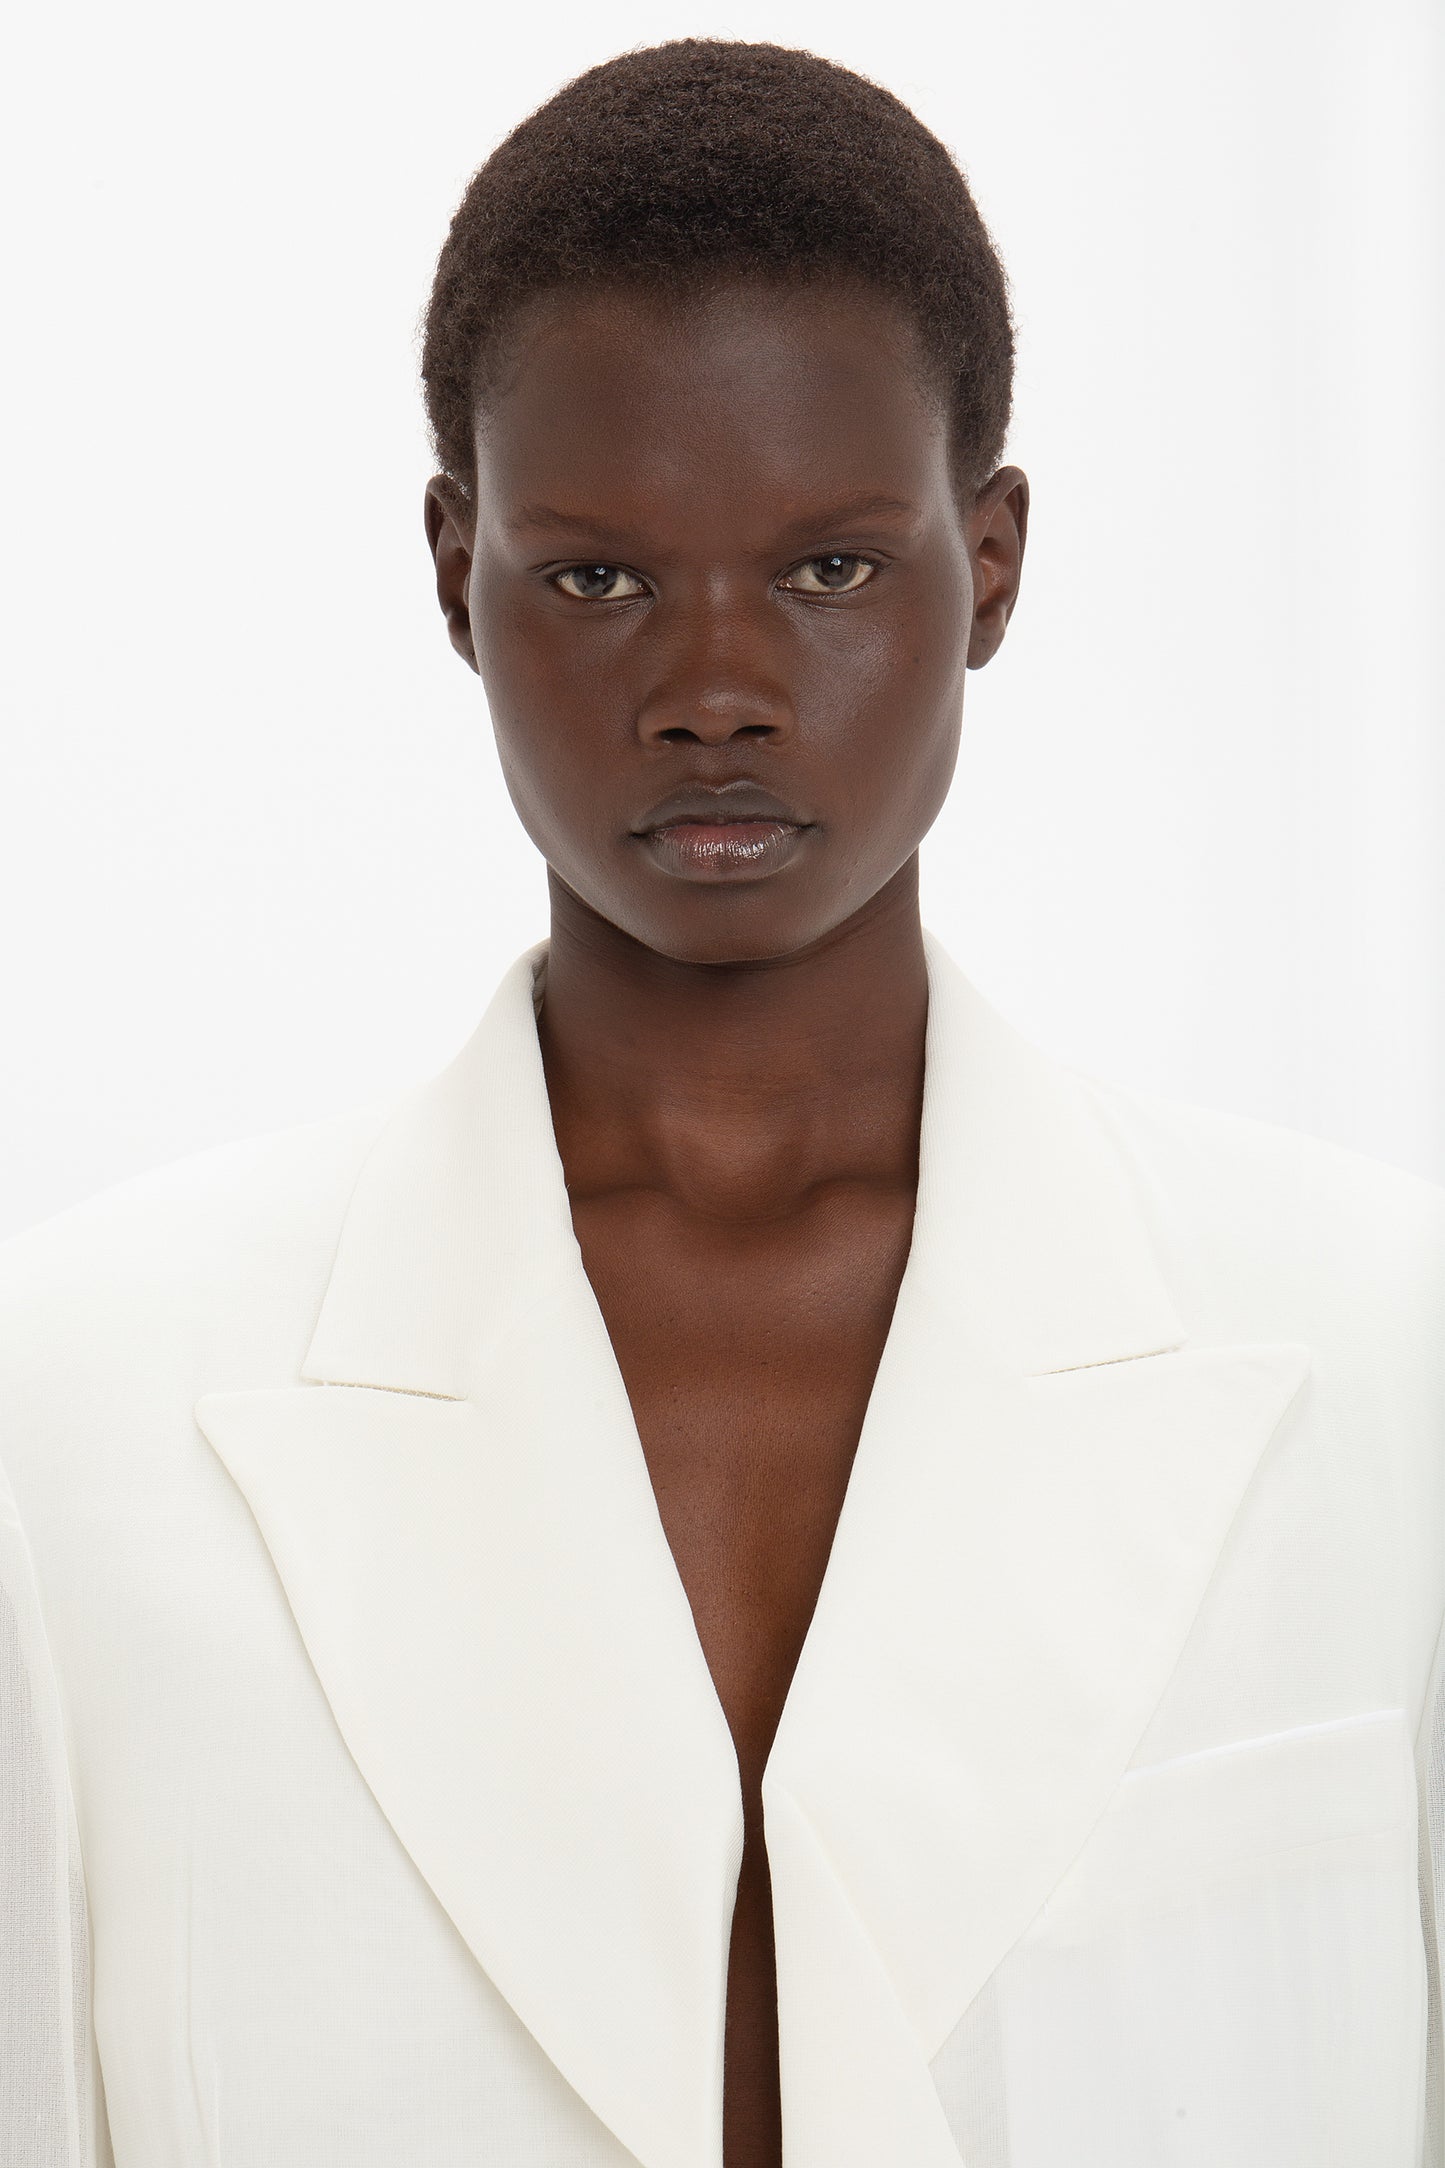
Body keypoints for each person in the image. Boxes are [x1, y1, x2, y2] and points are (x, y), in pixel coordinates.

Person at [1, 35, 1441, 2168]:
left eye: (833, 568)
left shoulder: (1382, 1339)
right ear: (451, 571)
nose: (714, 686)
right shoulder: (84, 1397)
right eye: (597, 577)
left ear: (997, 561)